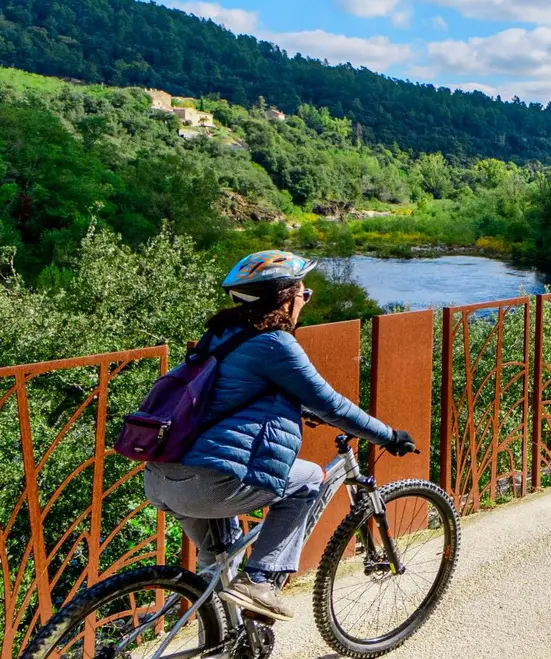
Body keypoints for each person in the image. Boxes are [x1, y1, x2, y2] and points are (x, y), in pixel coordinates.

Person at [143, 250, 417, 621]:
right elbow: (332, 406)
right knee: (308, 479)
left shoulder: (219, 337)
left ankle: (220, 645)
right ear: (285, 298)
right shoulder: (274, 344)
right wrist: (388, 435)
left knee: (219, 566)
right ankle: (260, 579)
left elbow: (232, 393)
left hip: (163, 479)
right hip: (209, 483)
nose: (305, 302)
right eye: (304, 294)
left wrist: (297, 408)